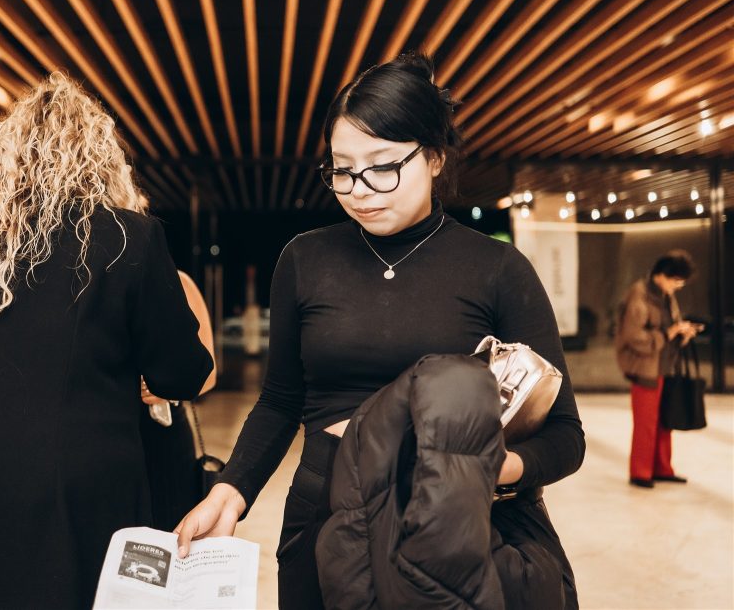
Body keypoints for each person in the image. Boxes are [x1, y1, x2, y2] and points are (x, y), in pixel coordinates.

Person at [174, 53, 585, 609]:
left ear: (435, 157)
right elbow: (280, 401)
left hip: (451, 525)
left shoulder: (498, 269)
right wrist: (230, 489)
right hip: (322, 513)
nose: (359, 189)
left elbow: (564, 436)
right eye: (341, 170)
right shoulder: (305, 259)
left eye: (382, 166)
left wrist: (488, 469)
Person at [0, 72, 213, 609]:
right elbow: (184, 373)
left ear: (4, 152)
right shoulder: (128, 237)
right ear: (101, 159)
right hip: (73, 492)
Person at [139, 269, 218, 531]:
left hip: (165, 431)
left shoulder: (179, 281)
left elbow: (209, 375)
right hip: (113, 433)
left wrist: (168, 389)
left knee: (170, 527)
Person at [616, 250, 701, 489]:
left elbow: (671, 326)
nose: (678, 286)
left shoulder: (666, 295)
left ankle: (663, 469)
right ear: (662, 275)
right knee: (646, 423)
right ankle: (640, 472)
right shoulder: (639, 294)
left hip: (665, 366)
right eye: (677, 280)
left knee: (665, 420)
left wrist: (682, 332)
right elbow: (633, 337)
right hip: (644, 368)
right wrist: (668, 333)